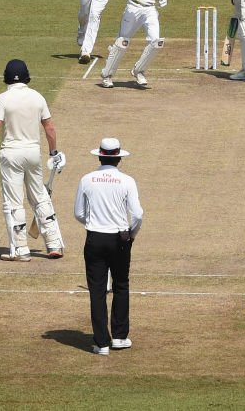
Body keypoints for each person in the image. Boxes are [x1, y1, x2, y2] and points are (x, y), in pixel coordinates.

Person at [0, 59, 67, 260]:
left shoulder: (3, 98)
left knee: (14, 202)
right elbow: (49, 128)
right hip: (33, 153)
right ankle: (54, 244)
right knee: (39, 197)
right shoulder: (37, 97)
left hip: (11, 154)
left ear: (6, 78)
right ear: (27, 77)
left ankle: (21, 249)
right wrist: (54, 153)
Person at [74, 137, 143, 356]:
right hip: (120, 239)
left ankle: (102, 343)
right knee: (121, 285)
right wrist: (130, 235)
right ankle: (120, 337)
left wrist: (95, 226)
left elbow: (79, 213)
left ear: (99, 156)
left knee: (97, 290)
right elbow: (138, 215)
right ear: (119, 159)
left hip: (95, 238)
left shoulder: (87, 179)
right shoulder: (127, 181)